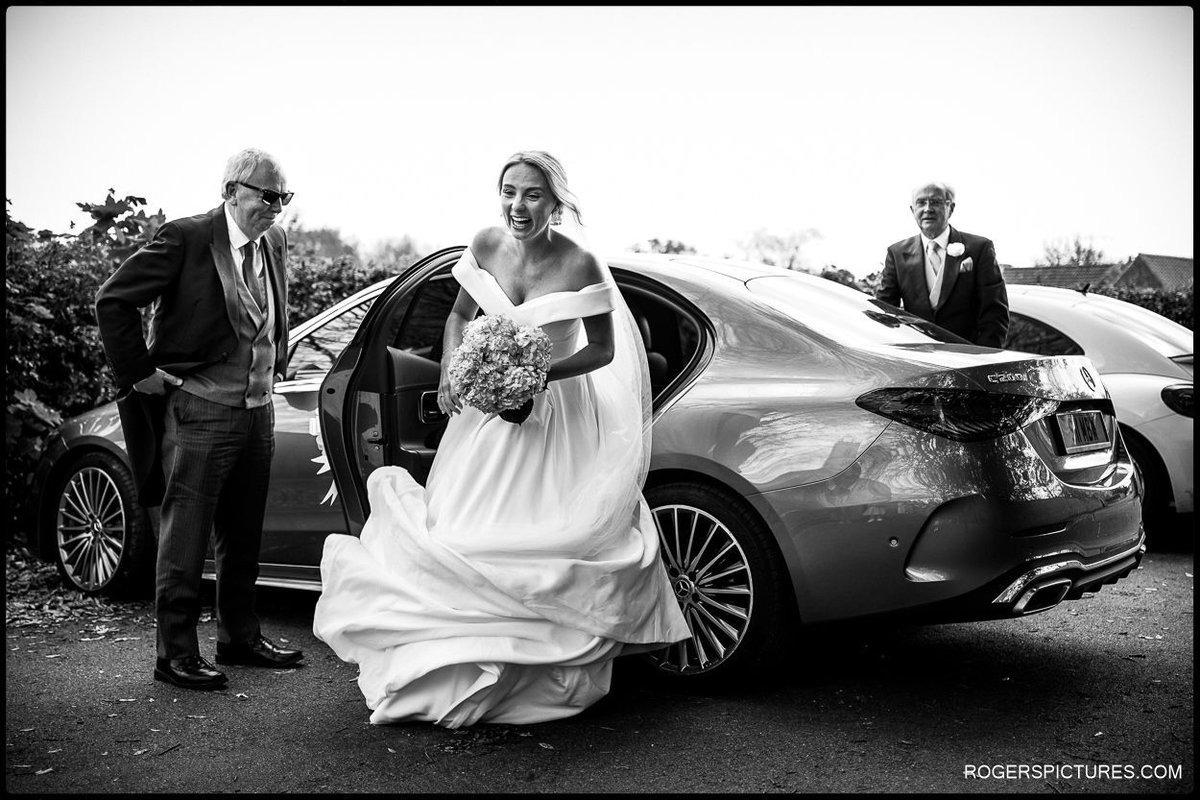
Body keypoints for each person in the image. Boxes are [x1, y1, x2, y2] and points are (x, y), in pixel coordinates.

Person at [313, 151, 691, 728]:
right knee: (467, 525)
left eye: (533, 194)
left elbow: (601, 350)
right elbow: (460, 315)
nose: (518, 206)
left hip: (556, 416)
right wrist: (452, 371)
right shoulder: (486, 244)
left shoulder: (581, 262)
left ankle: (536, 671)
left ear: (556, 201)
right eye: (509, 191)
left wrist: (537, 374)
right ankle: (458, 661)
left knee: (543, 528)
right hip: (484, 415)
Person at [95, 147, 303, 691]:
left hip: (258, 411)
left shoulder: (274, 241)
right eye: (267, 196)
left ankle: (239, 636)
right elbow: (112, 301)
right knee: (184, 535)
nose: (276, 208)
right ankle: (176, 654)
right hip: (200, 410)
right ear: (231, 190)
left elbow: (271, 310)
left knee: (243, 533)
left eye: (284, 197)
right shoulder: (185, 238)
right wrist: (139, 372)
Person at [876, 181, 1009, 348]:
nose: (927, 209)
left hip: (967, 359)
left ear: (950, 208)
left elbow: (995, 314)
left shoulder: (979, 249)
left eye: (935, 202)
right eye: (921, 203)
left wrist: (982, 359)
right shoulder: (896, 254)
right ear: (912, 210)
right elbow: (884, 311)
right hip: (917, 360)